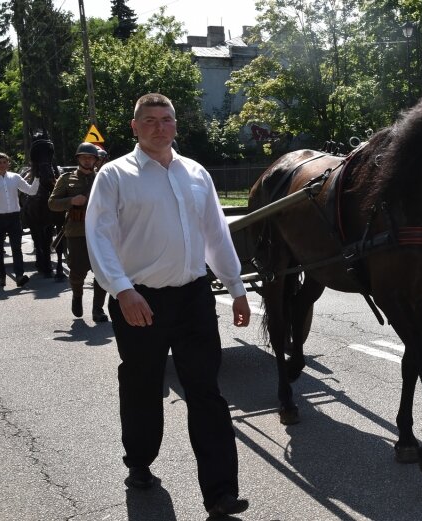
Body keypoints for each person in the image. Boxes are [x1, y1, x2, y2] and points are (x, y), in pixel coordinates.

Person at [85, 93, 251, 517]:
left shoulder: (196, 173)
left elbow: (216, 233)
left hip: (194, 297)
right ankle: (139, 461)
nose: (160, 127)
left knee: (207, 391)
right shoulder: (114, 175)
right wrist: (122, 290)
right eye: (150, 120)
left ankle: (220, 493)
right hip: (141, 300)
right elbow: (99, 237)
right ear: (134, 126)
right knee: (142, 385)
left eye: (167, 119)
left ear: (176, 125)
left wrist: (235, 286)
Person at [48, 142, 107, 322]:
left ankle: (98, 309)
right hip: (77, 232)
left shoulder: (103, 179)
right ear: (78, 159)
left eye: (91, 158)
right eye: (84, 157)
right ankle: (77, 296)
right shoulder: (66, 179)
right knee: (77, 272)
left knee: (102, 273)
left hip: (100, 233)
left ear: (96, 160)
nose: (87, 160)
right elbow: (52, 203)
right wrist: (72, 200)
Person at [0, 152, 39, 287]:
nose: (2, 165)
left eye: (5, 162)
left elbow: (31, 191)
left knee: (16, 248)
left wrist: (37, 178)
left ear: (8, 163)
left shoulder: (15, 178)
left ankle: (20, 276)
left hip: (14, 217)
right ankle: (1, 277)